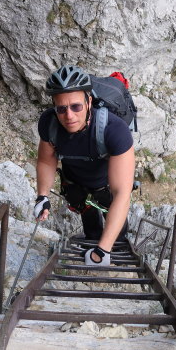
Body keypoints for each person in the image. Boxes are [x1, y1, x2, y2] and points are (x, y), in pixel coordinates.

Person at [33, 65, 135, 266]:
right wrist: (42, 196)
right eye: (61, 109)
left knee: (111, 209)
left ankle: (117, 245)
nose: (69, 115)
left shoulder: (114, 130)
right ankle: (92, 238)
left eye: (76, 107)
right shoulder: (49, 123)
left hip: (106, 183)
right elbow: (46, 159)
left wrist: (102, 250)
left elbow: (122, 193)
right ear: (54, 107)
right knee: (85, 211)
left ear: (89, 102)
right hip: (74, 181)